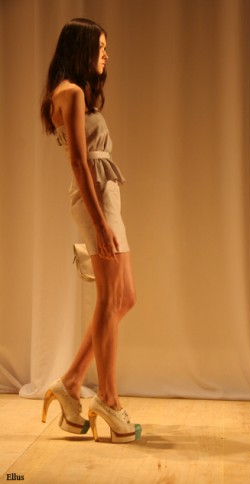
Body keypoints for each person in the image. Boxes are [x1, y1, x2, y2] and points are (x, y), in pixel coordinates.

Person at [39, 18, 141, 443]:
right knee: (108, 298)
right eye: (100, 48)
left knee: (124, 297)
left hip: (104, 194)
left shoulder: (69, 92)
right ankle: (109, 400)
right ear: (80, 48)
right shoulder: (71, 93)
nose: (105, 55)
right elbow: (79, 162)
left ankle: (70, 382)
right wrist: (100, 224)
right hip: (95, 196)